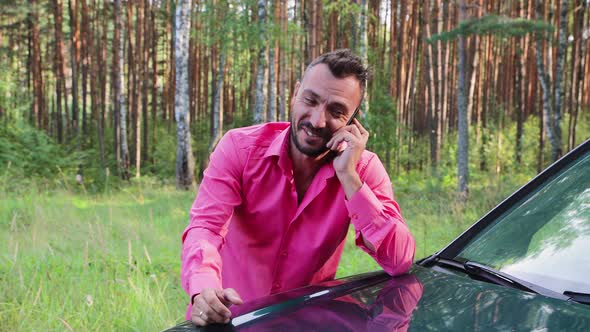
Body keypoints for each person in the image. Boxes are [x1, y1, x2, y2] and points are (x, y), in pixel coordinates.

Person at [181, 49, 416, 326]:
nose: (317, 120)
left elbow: (399, 261)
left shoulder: (362, 170)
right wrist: (203, 287)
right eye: (310, 100)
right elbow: (206, 227)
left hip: (307, 324)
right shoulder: (239, 149)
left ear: (353, 119)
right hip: (230, 321)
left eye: (336, 111)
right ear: (295, 94)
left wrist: (349, 178)